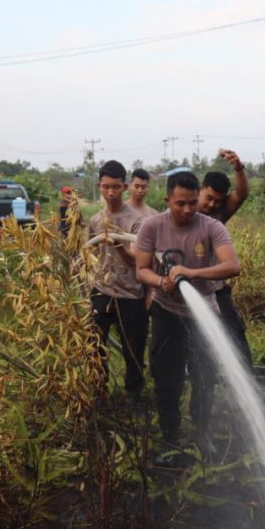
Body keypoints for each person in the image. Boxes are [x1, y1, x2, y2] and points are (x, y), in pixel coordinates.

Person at [135, 171, 240, 454]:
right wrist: (162, 282)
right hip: (166, 312)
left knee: (204, 377)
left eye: (193, 203)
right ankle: (171, 438)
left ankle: (202, 432)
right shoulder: (151, 226)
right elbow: (142, 269)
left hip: (204, 310)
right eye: (180, 203)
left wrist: (191, 273)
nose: (188, 210)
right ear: (167, 199)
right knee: (166, 379)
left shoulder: (211, 226)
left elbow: (232, 266)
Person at [88, 160, 148, 399]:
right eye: (105, 187)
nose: (110, 193)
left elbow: (137, 260)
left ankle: (134, 397)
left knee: (133, 350)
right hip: (102, 291)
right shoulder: (95, 220)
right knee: (94, 346)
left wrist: (118, 246)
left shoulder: (138, 221)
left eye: (115, 187)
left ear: (124, 187)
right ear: (99, 186)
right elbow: (90, 252)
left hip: (131, 294)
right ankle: (99, 393)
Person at [198, 149, 253, 366]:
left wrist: (238, 167)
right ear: (200, 190)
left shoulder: (218, 215)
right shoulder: (183, 211)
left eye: (217, 201)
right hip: (186, 289)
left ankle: (248, 381)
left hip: (216, 288)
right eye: (208, 198)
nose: (212, 204)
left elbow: (241, 194)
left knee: (234, 333)